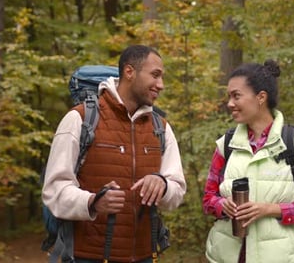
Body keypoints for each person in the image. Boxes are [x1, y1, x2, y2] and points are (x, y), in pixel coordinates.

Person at [42, 45, 186, 263]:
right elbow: (54, 191)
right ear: (129, 72)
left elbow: (176, 192)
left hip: (145, 256)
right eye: (155, 75)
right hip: (87, 257)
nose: (161, 85)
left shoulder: (161, 127)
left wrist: (163, 185)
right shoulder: (79, 119)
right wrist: (92, 202)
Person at [202, 60, 294, 263]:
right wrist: (222, 204)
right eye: (229, 97)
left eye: (236, 96)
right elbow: (209, 198)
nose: (230, 103)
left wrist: (270, 209)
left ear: (261, 97)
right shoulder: (226, 145)